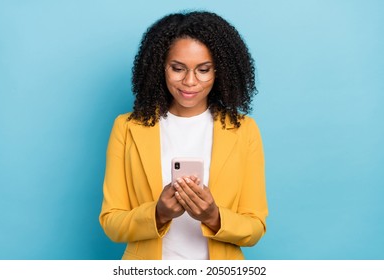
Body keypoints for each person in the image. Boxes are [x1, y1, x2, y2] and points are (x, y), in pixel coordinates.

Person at [99, 10, 268, 260]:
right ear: (160, 68)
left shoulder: (244, 130)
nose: (190, 81)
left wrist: (212, 216)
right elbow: (111, 221)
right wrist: (158, 213)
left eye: (204, 69)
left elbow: (255, 228)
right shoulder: (127, 127)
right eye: (178, 68)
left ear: (220, 71)